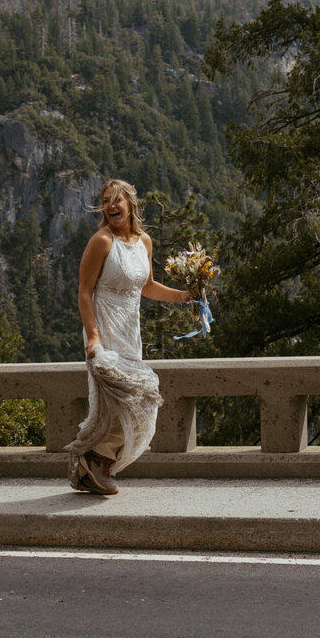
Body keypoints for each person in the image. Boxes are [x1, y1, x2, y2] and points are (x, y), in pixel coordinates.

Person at [65, 178, 192, 495]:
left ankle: (95, 464)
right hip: (105, 328)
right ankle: (94, 461)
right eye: (106, 201)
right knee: (130, 396)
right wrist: (93, 337)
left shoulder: (143, 241)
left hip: (130, 331)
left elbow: (146, 286)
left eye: (116, 200)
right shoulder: (102, 241)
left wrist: (182, 296)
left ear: (130, 204)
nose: (110, 206)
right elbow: (84, 292)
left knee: (135, 401)